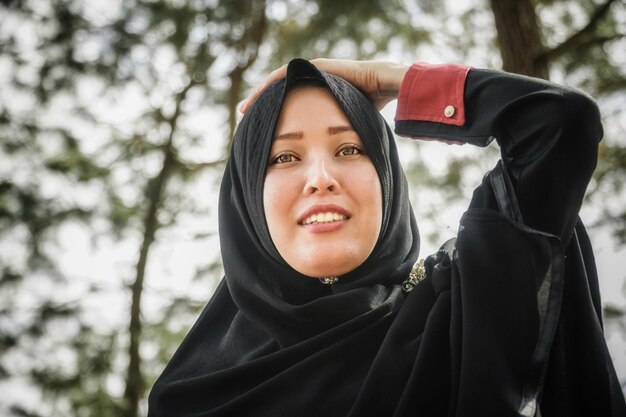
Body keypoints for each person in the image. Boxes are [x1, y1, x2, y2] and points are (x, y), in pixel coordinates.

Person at [148, 58, 625, 416]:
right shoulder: (191, 394)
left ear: (388, 179)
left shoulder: (458, 312)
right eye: (284, 158)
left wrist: (387, 82)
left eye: (350, 148)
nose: (321, 178)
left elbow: (559, 123)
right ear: (247, 200)